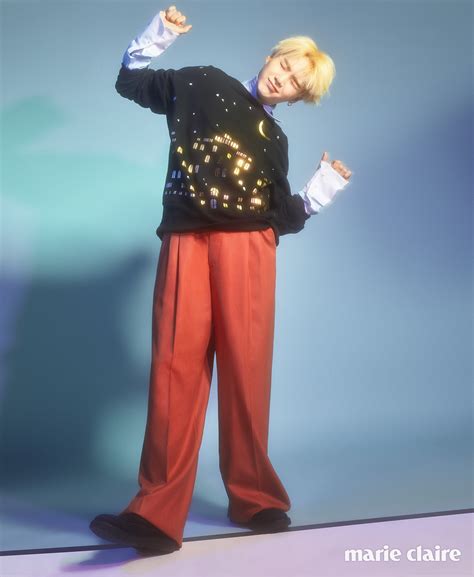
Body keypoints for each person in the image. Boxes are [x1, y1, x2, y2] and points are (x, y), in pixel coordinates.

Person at [90, 5, 352, 556]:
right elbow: (130, 82)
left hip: (249, 248)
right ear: (272, 56)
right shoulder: (202, 82)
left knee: (246, 370)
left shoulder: (275, 141)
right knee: (174, 369)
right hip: (187, 237)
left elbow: (282, 216)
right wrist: (160, 34)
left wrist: (321, 189)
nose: (282, 78)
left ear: (296, 99)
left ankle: (254, 497)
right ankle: (156, 513)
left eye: (295, 83)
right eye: (285, 64)